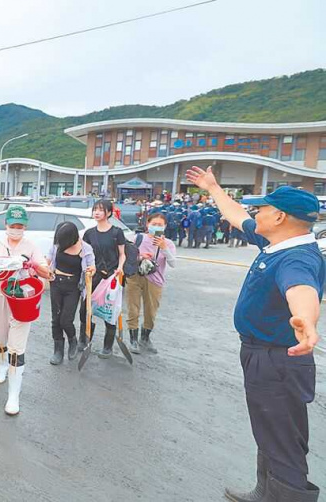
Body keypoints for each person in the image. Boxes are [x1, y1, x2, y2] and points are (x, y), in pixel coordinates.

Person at [187, 166, 322, 502]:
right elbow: (236, 217)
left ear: (279, 217)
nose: (254, 213)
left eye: (261, 209)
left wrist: (306, 321)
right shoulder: (279, 240)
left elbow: (300, 289)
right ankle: (265, 492)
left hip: (277, 359)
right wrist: (213, 188)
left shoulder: (296, 258)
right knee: (269, 431)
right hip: (263, 354)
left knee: (282, 439)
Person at [0, 205, 50, 415]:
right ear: (6, 225)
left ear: (25, 227)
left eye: (20, 226)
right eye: (13, 225)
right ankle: (1, 365)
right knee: (0, 339)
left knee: (17, 348)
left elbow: (46, 272)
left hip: (22, 299)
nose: (16, 229)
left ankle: (14, 395)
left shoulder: (31, 246)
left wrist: (32, 266)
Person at [79, 199, 126, 359]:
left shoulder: (117, 232)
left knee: (109, 312)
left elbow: (122, 254)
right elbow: (84, 255)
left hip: (111, 276)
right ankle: (85, 340)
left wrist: (120, 268)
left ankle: (108, 346)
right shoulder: (89, 233)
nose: (97, 212)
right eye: (95, 209)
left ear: (108, 213)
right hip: (93, 276)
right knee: (86, 310)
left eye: (100, 210)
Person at [126, 212, 176, 354]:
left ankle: (145, 337)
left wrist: (164, 247)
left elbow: (173, 263)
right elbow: (125, 255)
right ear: (147, 224)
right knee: (133, 308)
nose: (156, 227)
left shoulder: (169, 243)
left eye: (160, 225)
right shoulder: (137, 238)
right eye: (153, 224)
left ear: (165, 226)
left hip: (155, 280)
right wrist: (140, 256)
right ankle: (133, 339)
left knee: (151, 311)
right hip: (135, 277)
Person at [47, 221, 95, 365]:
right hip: (56, 283)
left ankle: (72, 340)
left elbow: (92, 265)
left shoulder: (85, 248)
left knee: (66, 319)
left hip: (73, 287)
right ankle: (58, 350)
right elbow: (48, 260)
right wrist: (45, 267)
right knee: (56, 319)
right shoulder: (57, 245)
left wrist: (91, 270)